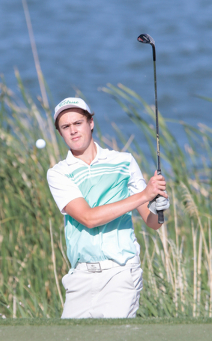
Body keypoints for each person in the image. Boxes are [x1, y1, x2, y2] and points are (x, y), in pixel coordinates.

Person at [47, 97, 170, 318]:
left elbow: (152, 223)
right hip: (80, 277)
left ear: (90, 123)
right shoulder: (59, 172)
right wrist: (144, 195)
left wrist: (159, 208)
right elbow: (88, 218)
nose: (73, 131)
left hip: (121, 273)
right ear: (60, 132)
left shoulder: (124, 162)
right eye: (65, 127)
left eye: (78, 123)